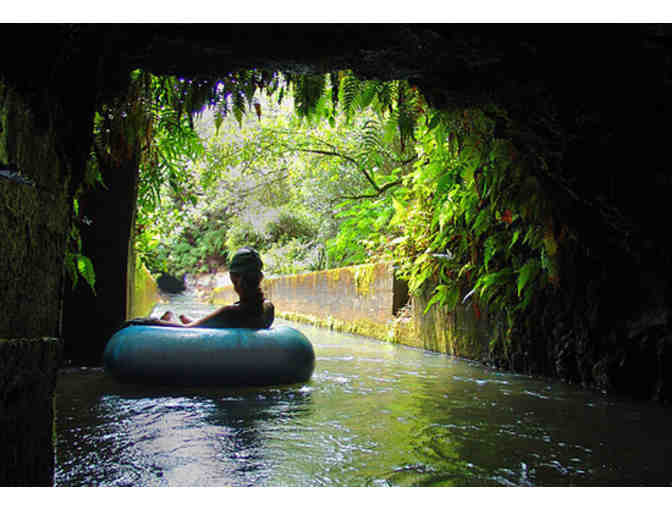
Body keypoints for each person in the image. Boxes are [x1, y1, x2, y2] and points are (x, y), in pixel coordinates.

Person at [151, 247, 274, 329]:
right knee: (184, 319)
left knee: (169, 316)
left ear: (233, 278)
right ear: (260, 277)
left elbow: (188, 330)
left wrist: (151, 322)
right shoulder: (268, 309)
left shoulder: (230, 312)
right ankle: (190, 319)